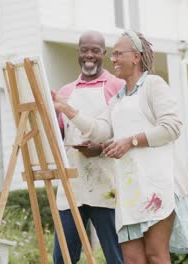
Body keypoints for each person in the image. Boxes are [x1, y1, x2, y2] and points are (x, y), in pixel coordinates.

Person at [52, 30, 188, 263]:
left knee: (156, 255)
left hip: (158, 186)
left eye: (118, 54)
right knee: (132, 259)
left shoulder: (153, 85)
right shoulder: (119, 98)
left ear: (136, 57)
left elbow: (172, 127)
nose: (113, 59)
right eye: (114, 54)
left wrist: (131, 141)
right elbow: (99, 130)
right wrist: (65, 109)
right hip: (130, 191)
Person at [53, 31, 125, 264]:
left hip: (108, 184)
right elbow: (59, 135)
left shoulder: (118, 86)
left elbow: (127, 133)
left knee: (117, 256)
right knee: (63, 257)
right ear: (78, 53)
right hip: (72, 184)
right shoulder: (65, 93)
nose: (89, 55)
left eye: (95, 50)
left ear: (104, 53)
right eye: (84, 50)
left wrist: (102, 147)